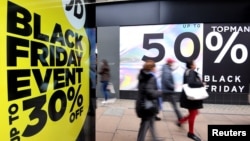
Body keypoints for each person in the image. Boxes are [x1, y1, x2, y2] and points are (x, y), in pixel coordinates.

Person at [135, 60, 163, 141]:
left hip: (143, 104)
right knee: (145, 125)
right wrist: (159, 92)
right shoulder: (151, 78)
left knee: (151, 123)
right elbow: (150, 92)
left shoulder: (142, 76)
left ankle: (154, 139)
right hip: (147, 106)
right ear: (151, 68)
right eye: (155, 67)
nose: (156, 68)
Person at [178, 60, 204, 141]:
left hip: (188, 96)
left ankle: (181, 121)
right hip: (191, 98)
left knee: (195, 112)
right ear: (191, 65)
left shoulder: (187, 72)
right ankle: (191, 133)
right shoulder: (191, 72)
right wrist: (201, 83)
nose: (195, 65)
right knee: (193, 113)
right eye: (194, 63)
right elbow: (191, 83)